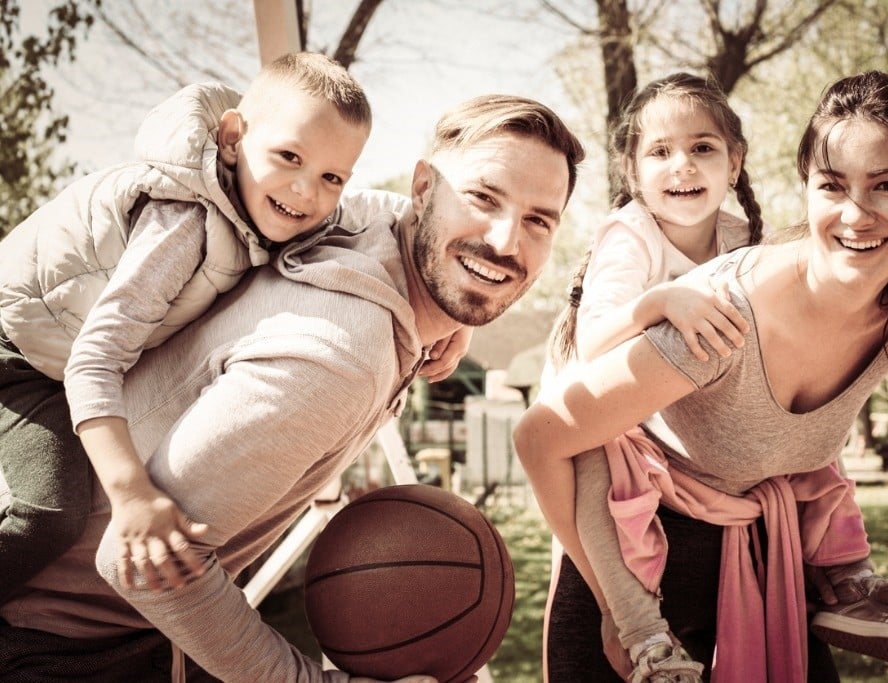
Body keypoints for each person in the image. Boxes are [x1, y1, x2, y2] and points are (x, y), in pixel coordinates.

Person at [0, 92, 585, 682]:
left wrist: (457, 318)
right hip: (60, 642)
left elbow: (384, 211)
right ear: (425, 188)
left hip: (130, 629)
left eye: (539, 219)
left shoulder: (362, 234)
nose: (508, 241)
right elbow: (136, 568)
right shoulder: (337, 359)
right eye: (483, 198)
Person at [515, 70, 888, 683]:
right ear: (807, 189)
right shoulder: (714, 308)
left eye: (887, 185)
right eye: (833, 186)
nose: (856, 215)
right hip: (636, 550)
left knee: (825, 471)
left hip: (762, 564)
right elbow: (543, 433)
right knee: (606, 449)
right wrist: (612, 603)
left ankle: (848, 582)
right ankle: (638, 623)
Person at [0, 51, 398, 601]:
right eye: (289, 157)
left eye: (331, 176)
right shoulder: (183, 222)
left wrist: (454, 313)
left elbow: (372, 210)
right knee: (48, 513)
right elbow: (92, 361)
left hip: (60, 345)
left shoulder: (277, 202)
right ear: (233, 137)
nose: (307, 191)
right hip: (20, 350)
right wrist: (132, 493)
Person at [541, 72, 763, 681]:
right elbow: (592, 340)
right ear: (632, 174)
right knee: (594, 471)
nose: (681, 165)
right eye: (659, 152)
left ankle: (848, 574)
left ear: (734, 162)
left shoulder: (744, 242)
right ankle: (642, 634)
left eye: (702, 147)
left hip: (674, 412)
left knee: (812, 443)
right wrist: (662, 300)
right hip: (590, 404)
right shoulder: (630, 233)